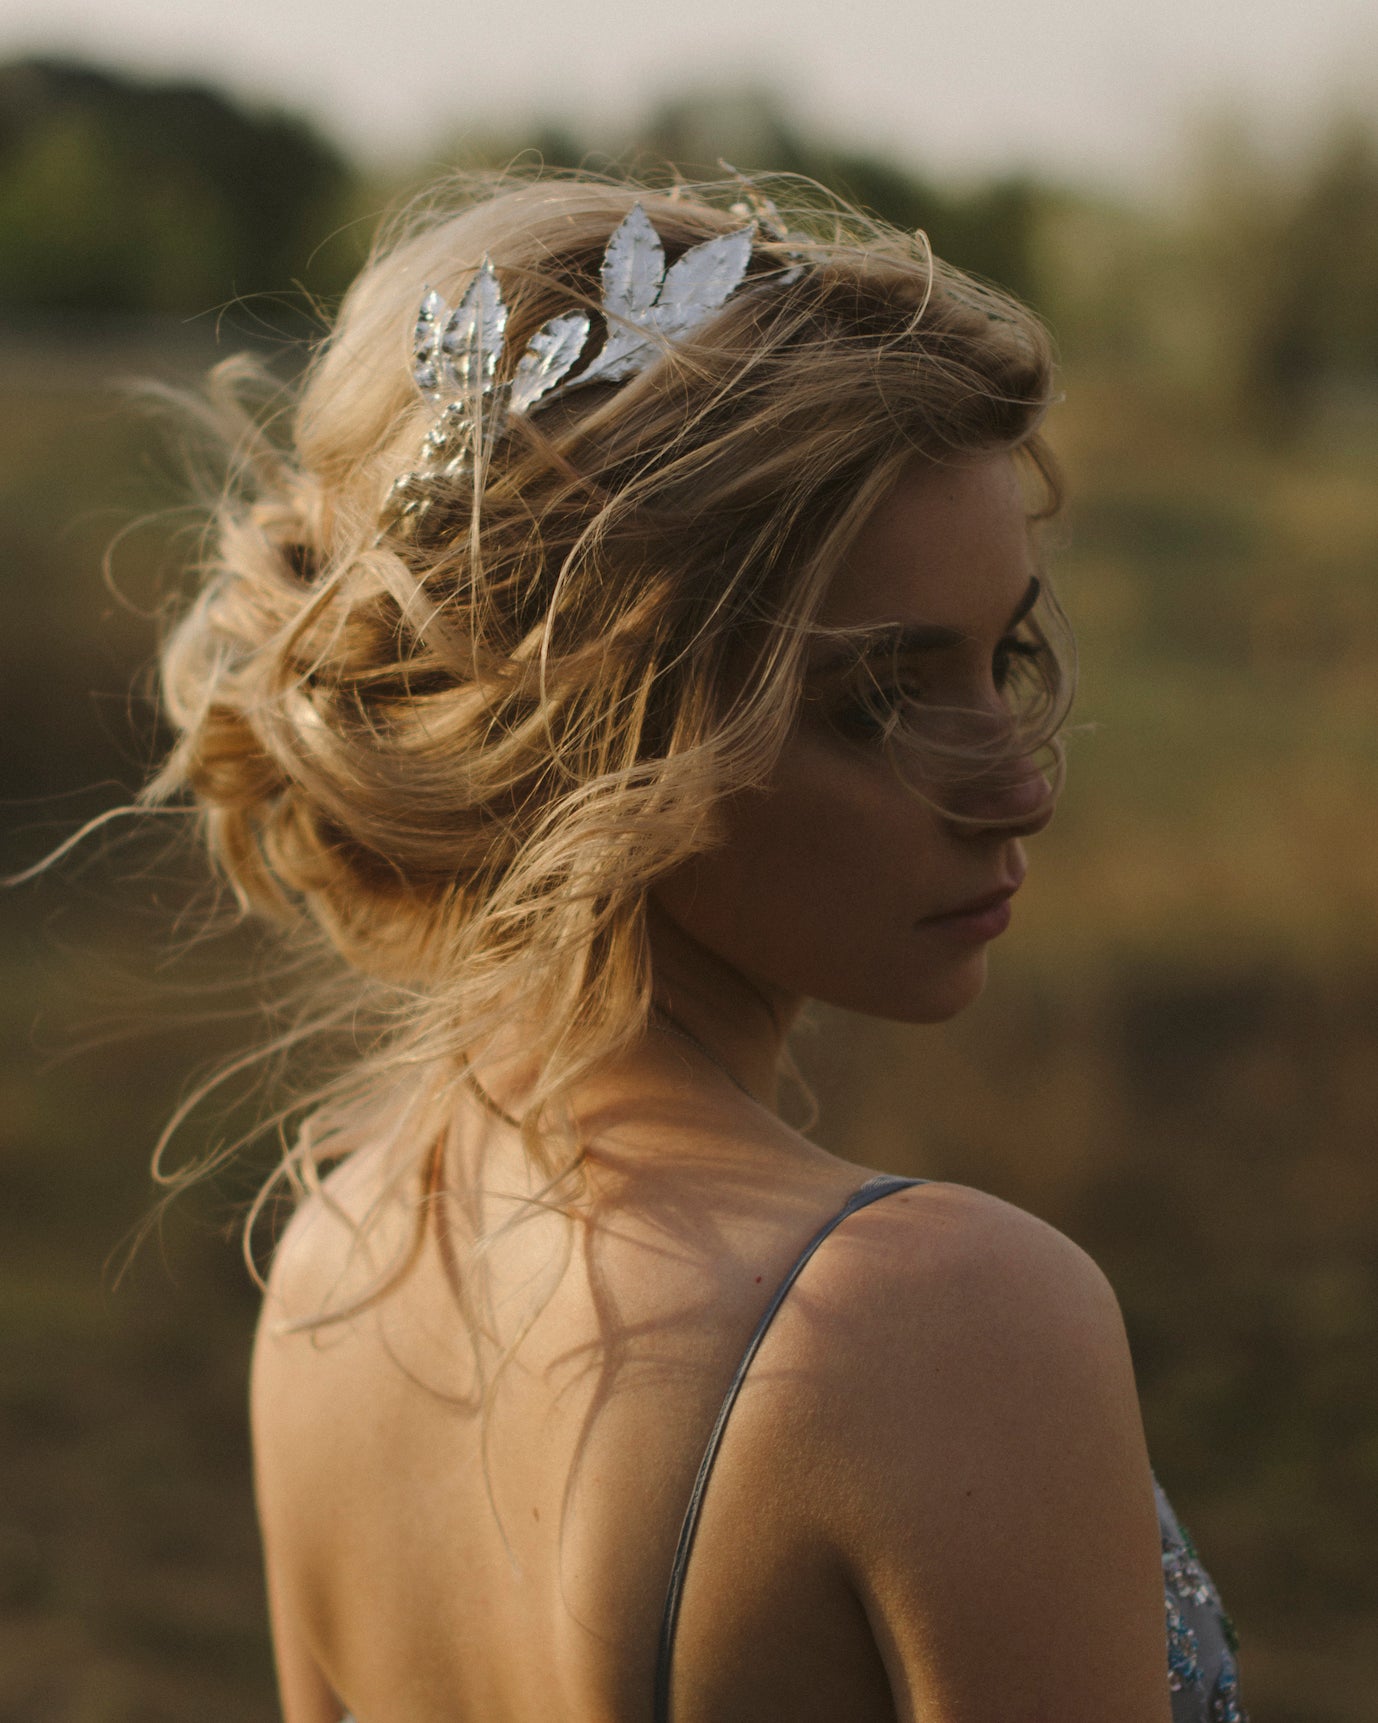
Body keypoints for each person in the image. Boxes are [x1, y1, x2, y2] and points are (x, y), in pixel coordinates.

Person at [147, 173, 1245, 1721]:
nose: (1018, 784)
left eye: (1001, 661)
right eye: (875, 697)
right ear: (593, 730)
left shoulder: (335, 1262)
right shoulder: (932, 1321)